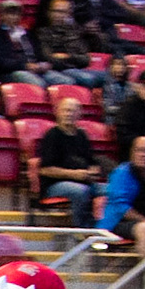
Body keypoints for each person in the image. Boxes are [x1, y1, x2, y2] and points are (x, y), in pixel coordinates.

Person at [38, 98, 106, 229]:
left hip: (85, 180)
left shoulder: (82, 135)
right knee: (80, 191)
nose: (68, 114)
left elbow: (91, 161)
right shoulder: (52, 135)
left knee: (112, 190)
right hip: (54, 186)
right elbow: (45, 170)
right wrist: (74, 175)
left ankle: (106, 227)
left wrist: (93, 171)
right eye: (66, 110)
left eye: (72, 111)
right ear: (58, 112)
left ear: (79, 114)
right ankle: (81, 229)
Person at [34, 0, 106, 89]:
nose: (60, 15)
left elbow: (86, 60)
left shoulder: (73, 32)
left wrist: (67, 56)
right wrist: (73, 60)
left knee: (109, 76)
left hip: (77, 69)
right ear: (49, 13)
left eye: (64, 12)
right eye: (57, 11)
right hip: (59, 70)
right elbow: (50, 59)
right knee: (87, 79)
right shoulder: (42, 33)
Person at [0, 0, 58, 88]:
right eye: (10, 14)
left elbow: (39, 52)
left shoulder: (28, 33)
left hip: (36, 69)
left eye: (17, 14)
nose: (14, 17)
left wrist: (44, 63)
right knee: (37, 83)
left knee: (63, 80)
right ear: (1, 15)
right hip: (11, 72)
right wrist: (24, 66)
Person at [100, 134, 145, 256]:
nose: (143, 155)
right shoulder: (122, 173)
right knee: (144, 229)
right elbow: (121, 208)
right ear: (132, 153)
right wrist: (144, 220)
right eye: (140, 150)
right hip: (118, 222)